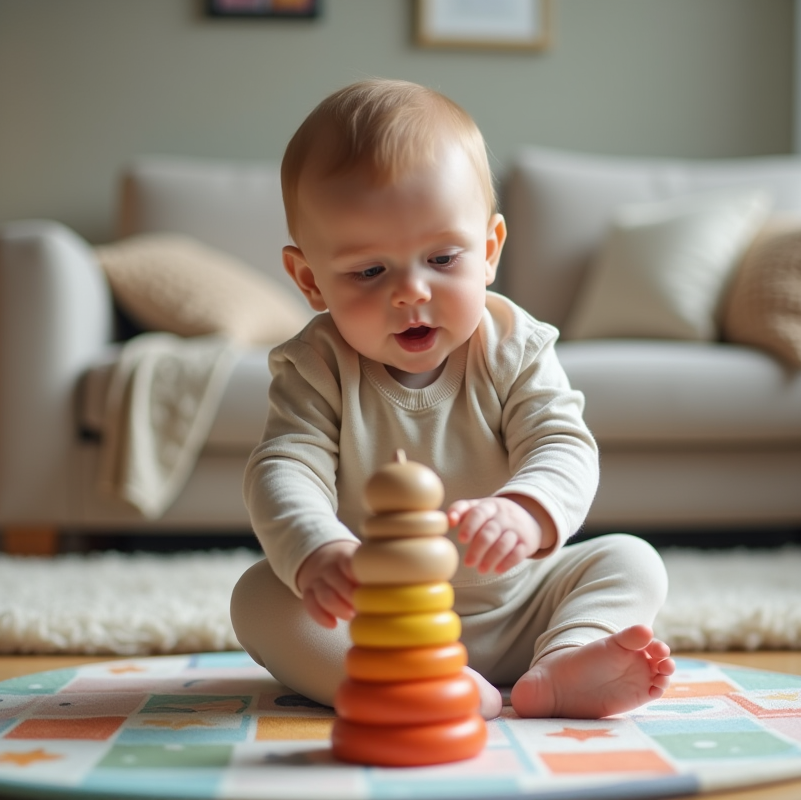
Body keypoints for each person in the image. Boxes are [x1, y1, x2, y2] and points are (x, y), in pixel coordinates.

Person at [231, 78, 674, 720]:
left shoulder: (512, 345)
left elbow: (562, 443)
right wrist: (317, 549)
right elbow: (283, 466)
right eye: (369, 271)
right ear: (310, 279)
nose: (412, 291)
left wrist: (525, 511)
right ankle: (420, 680)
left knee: (631, 560)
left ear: (488, 251)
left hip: (520, 605)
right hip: (382, 620)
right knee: (258, 598)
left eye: (441, 258)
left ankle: (565, 661)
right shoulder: (316, 365)